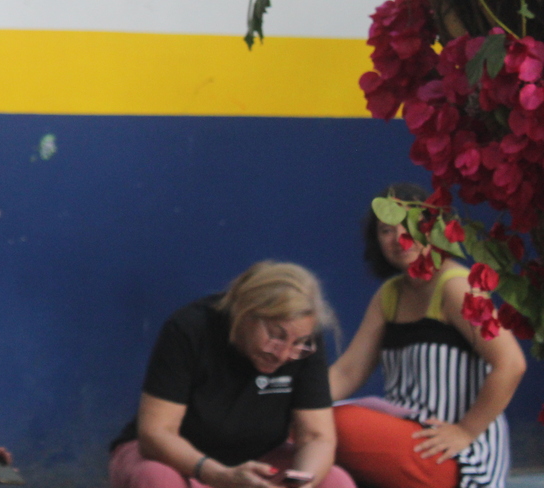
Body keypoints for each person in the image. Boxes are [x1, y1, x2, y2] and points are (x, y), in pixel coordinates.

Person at [328, 184, 526, 488]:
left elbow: (511, 364)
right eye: (386, 230)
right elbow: (348, 372)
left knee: (339, 424)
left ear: (434, 229)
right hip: (405, 435)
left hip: (455, 454)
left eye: (410, 225)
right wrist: (293, 405)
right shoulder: (389, 294)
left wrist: (465, 431)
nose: (399, 238)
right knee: (316, 440)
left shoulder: (456, 286)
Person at [108, 261, 354, 488]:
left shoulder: (303, 343)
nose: (283, 355)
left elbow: (316, 437)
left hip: (259, 460)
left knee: (335, 481)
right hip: (181, 460)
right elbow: (156, 434)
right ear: (243, 312)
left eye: (299, 343)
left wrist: (301, 483)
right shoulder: (190, 328)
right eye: (275, 336)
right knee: (157, 478)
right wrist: (218, 475)